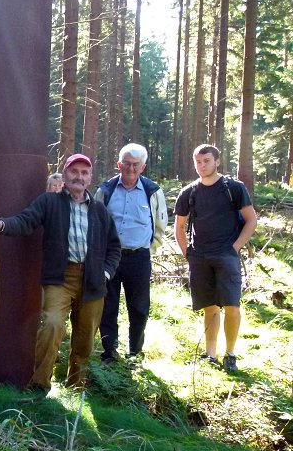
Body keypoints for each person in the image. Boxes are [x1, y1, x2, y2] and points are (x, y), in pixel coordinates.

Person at [0, 154, 121, 392]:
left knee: (85, 338)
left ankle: (74, 388)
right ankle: (39, 385)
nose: (79, 176)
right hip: (60, 277)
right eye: (74, 171)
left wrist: (106, 274)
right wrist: (2, 225)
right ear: (65, 174)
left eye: (84, 173)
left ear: (90, 178)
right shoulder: (50, 202)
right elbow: (26, 220)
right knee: (52, 324)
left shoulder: (99, 210)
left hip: (93, 281)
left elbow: (114, 247)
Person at [174, 144, 257, 372]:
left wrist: (235, 248)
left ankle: (230, 354)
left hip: (227, 255)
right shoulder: (189, 192)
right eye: (198, 162)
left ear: (217, 161)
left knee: (232, 306)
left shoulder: (233, 188)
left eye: (206, 161)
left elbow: (251, 220)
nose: (201, 166)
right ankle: (210, 355)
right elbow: (179, 226)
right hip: (199, 257)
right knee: (210, 307)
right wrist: (188, 254)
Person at [94, 143, 168, 362]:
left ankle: (135, 352)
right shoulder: (105, 190)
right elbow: (95, 225)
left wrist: (148, 249)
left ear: (143, 167)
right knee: (107, 307)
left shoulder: (153, 191)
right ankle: (110, 352)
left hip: (139, 258)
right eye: (126, 164)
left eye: (136, 164)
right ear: (119, 164)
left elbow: (160, 224)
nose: (131, 169)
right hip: (110, 259)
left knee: (139, 308)